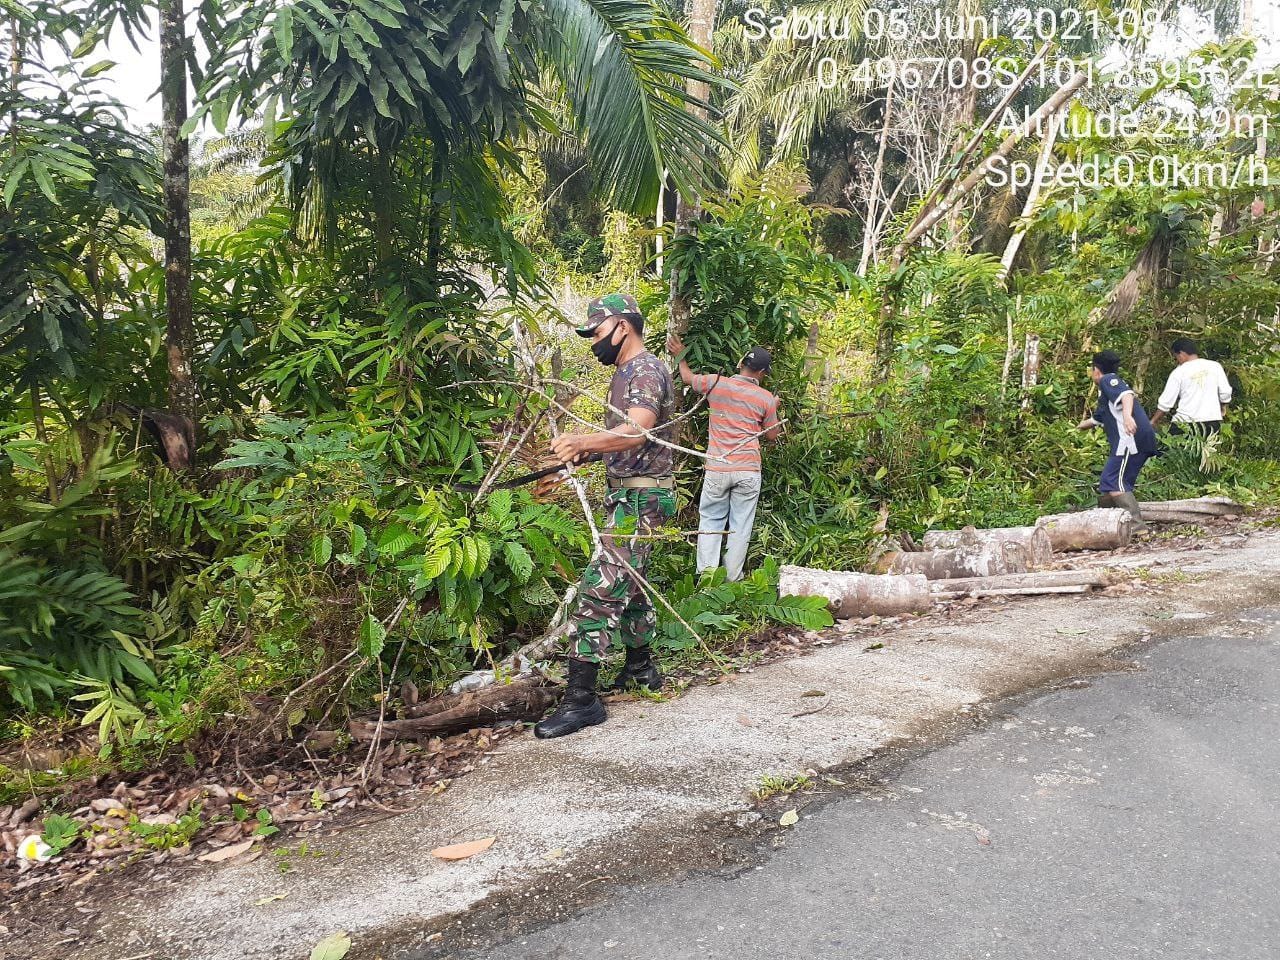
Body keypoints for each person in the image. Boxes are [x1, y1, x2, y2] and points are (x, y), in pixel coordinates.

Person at [532, 293, 676, 740]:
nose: (593, 342)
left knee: (600, 590)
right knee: (629, 588)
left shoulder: (646, 370)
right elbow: (623, 440)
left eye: (596, 333)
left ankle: (581, 700)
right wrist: (570, 462)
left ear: (622, 327)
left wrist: (582, 440)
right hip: (631, 495)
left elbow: (637, 430)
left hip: (642, 501)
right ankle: (639, 669)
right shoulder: (625, 373)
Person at [666, 335, 781, 582]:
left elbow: (687, 378)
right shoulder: (765, 398)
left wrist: (681, 354)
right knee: (741, 526)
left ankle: (707, 580)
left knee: (710, 521)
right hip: (748, 469)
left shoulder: (715, 383)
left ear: (741, 364)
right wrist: (774, 407)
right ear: (761, 372)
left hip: (718, 467)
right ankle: (732, 580)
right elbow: (772, 435)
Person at [1077, 350, 1158, 533]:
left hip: (1130, 441)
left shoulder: (1108, 380)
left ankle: (1137, 527)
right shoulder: (1105, 396)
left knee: (1113, 482)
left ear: (1096, 370)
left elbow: (1126, 395)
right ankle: (1107, 525)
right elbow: (1098, 418)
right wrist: (1079, 426)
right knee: (1110, 484)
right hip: (1134, 441)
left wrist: (1128, 417)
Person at [1149, 338, 1232, 436]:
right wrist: (1222, 407)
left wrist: (1153, 421)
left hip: (1186, 423)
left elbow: (1166, 403)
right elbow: (1225, 393)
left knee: (1173, 450)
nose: (1177, 361)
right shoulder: (1215, 366)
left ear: (1181, 353)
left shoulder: (1179, 372)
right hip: (1212, 422)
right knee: (1206, 450)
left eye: (1176, 357)